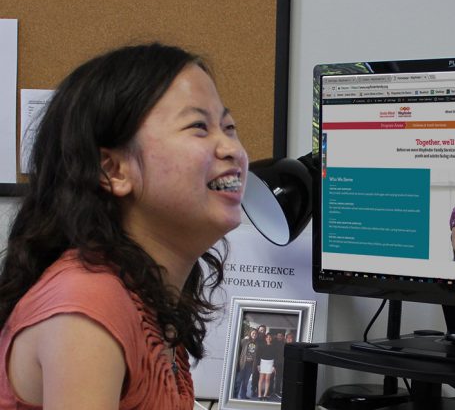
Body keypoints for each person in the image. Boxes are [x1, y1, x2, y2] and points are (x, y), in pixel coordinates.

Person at [0, 43, 248, 409]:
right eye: (199, 126)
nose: (231, 148)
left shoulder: (144, 295)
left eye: (229, 126)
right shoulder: (87, 306)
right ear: (113, 170)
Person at [234, 328, 258, 400]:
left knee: (246, 382)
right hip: (243, 364)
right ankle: (234, 396)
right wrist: (245, 338)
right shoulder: (245, 341)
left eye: (256, 334)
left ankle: (243, 395)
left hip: (250, 365)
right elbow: (239, 344)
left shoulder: (256, 344)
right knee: (238, 381)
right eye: (253, 333)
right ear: (250, 333)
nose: (254, 335)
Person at [255, 333, 276, 400]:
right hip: (262, 363)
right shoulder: (262, 345)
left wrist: (274, 366)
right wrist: (258, 365)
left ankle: (265, 395)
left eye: (270, 337)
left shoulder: (274, 346)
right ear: (265, 338)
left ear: (271, 338)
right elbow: (258, 356)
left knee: (267, 379)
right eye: (267, 337)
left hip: (270, 363)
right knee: (261, 379)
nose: (268, 338)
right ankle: (259, 395)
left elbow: (275, 357)